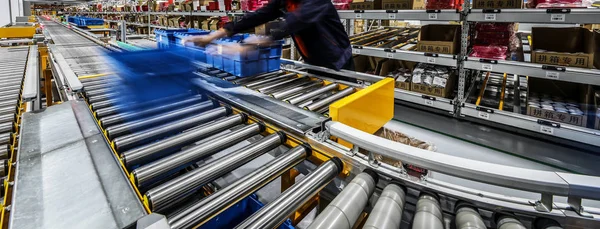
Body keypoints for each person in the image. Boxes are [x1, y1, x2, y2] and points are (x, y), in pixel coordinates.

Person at [185, 0, 355, 80]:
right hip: (313, 61)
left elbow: (295, 21)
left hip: (336, 60)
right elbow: (256, 16)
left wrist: (249, 45)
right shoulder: (283, 1)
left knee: (343, 109)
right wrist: (212, 36)